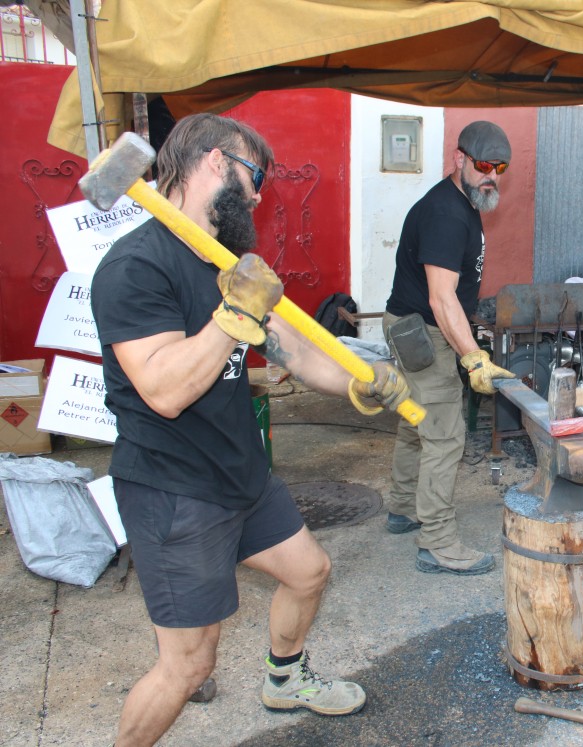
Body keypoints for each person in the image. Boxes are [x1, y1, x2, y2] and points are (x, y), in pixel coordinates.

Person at [91, 113, 410, 747]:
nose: (260, 195)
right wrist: (232, 316)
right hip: (175, 490)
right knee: (188, 666)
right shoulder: (135, 268)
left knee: (308, 571)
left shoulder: (228, 263)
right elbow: (163, 390)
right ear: (213, 161)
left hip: (241, 473)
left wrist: (356, 383)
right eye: (253, 174)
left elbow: (294, 348)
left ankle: (284, 680)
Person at [381, 120, 516, 576]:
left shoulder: (464, 201)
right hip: (425, 331)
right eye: (483, 165)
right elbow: (442, 299)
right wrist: (472, 356)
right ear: (459, 158)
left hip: (414, 325)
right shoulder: (445, 213)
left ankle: (402, 506)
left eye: (500, 168)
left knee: (413, 419)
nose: (491, 176)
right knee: (444, 432)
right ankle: (437, 541)